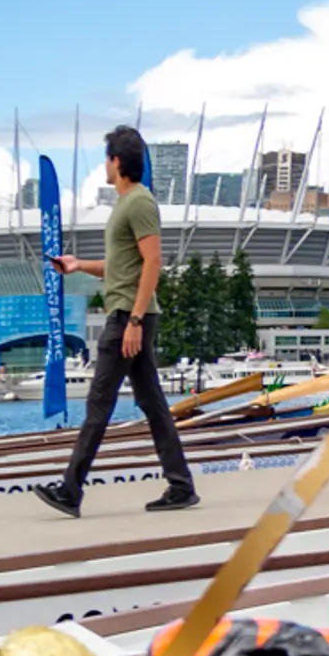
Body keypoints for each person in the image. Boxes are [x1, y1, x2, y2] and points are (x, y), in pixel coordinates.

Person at [35, 126, 197, 518]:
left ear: (117, 162)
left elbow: (153, 261)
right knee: (152, 403)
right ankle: (181, 485)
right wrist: (77, 265)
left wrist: (136, 321)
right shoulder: (124, 206)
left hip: (128, 317)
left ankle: (70, 491)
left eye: (107, 157)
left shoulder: (139, 203)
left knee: (98, 404)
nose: (104, 164)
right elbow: (118, 268)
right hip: (129, 312)